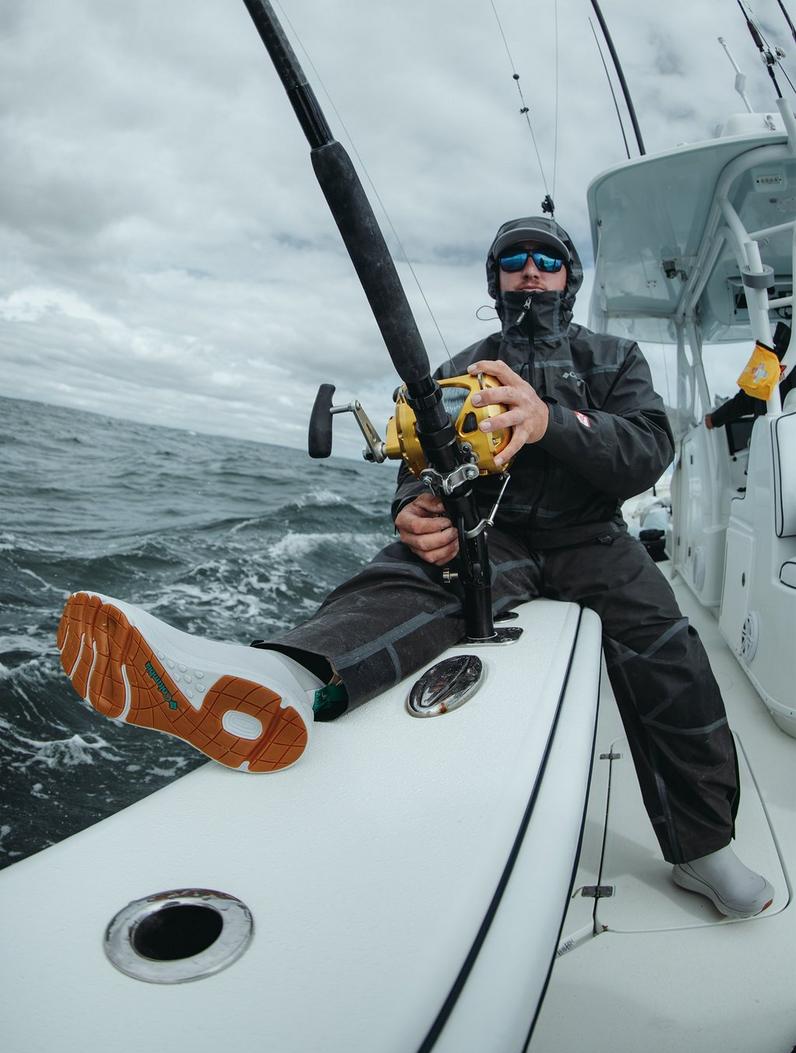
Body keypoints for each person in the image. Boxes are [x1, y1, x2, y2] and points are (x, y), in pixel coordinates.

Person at [57, 216, 773, 920]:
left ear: (569, 278)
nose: (531, 269)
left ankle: (701, 847)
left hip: (593, 537)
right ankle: (279, 678)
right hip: (490, 530)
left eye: (547, 259)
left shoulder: (615, 359)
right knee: (401, 579)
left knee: (668, 650)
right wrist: (414, 509)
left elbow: (648, 450)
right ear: (494, 276)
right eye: (514, 258)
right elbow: (417, 458)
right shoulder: (454, 364)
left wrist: (549, 418)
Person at [704, 321, 792, 430]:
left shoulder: (769, 362)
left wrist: (714, 419)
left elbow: (744, 401)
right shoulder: (774, 361)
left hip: (773, 435)